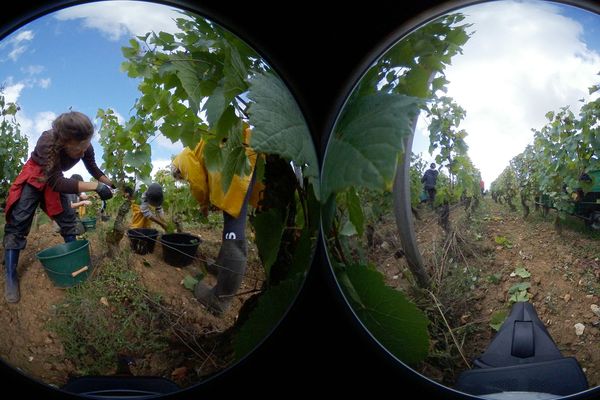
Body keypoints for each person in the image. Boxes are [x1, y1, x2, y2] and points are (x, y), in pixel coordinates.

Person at [3, 111, 114, 303]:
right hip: (36, 176)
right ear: (64, 141)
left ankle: (73, 261)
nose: (83, 150)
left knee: (67, 217)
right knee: (19, 221)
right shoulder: (47, 142)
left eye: (86, 145)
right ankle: (10, 274)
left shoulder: (85, 144)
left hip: (56, 178)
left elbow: (93, 167)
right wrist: (95, 187)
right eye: (79, 147)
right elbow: (56, 182)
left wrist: (110, 183)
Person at [170, 125, 264, 315]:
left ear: (176, 171)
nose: (183, 179)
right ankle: (221, 266)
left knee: (233, 229)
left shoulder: (182, 159)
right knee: (231, 222)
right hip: (245, 153)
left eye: (181, 178)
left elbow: (197, 182)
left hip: (234, 159)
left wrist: (204, 204)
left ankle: (220, 300)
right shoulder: (195, 148)